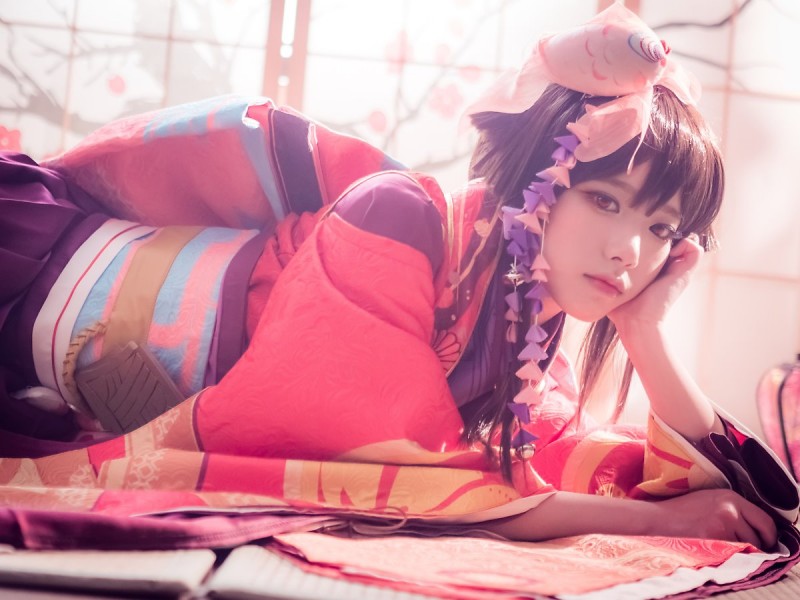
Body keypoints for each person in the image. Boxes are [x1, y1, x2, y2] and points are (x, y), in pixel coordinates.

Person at [0, 3, 797, 554]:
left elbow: (697, 493)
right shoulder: (396, 218)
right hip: (43, 290)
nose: (629, 250)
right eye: (605, 199)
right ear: (540, 182)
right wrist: (657, 526)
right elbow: (404, 470)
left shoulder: (532, 316)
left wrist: (644, 332)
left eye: (661, 229)